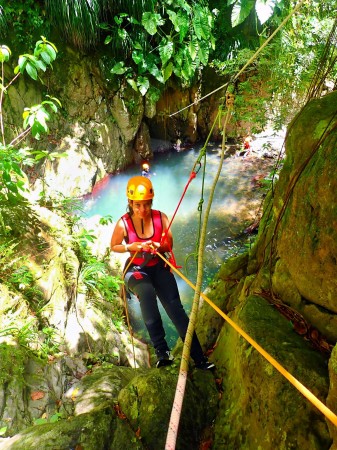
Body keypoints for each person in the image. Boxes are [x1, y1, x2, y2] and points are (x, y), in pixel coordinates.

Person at [110, 176, 215, 370]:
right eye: (138, 205)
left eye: (146, 204)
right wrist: (131, 247)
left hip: (159, 266)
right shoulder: (123, 224)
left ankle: (199, 358)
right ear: (131, 203)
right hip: (136, 269)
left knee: (176, 308)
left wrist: (158, 245)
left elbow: (169, 244)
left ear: (151, 202)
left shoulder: (161, 217)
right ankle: (162, 352)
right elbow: (114, 246)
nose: (142, 209)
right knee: (147, 293)